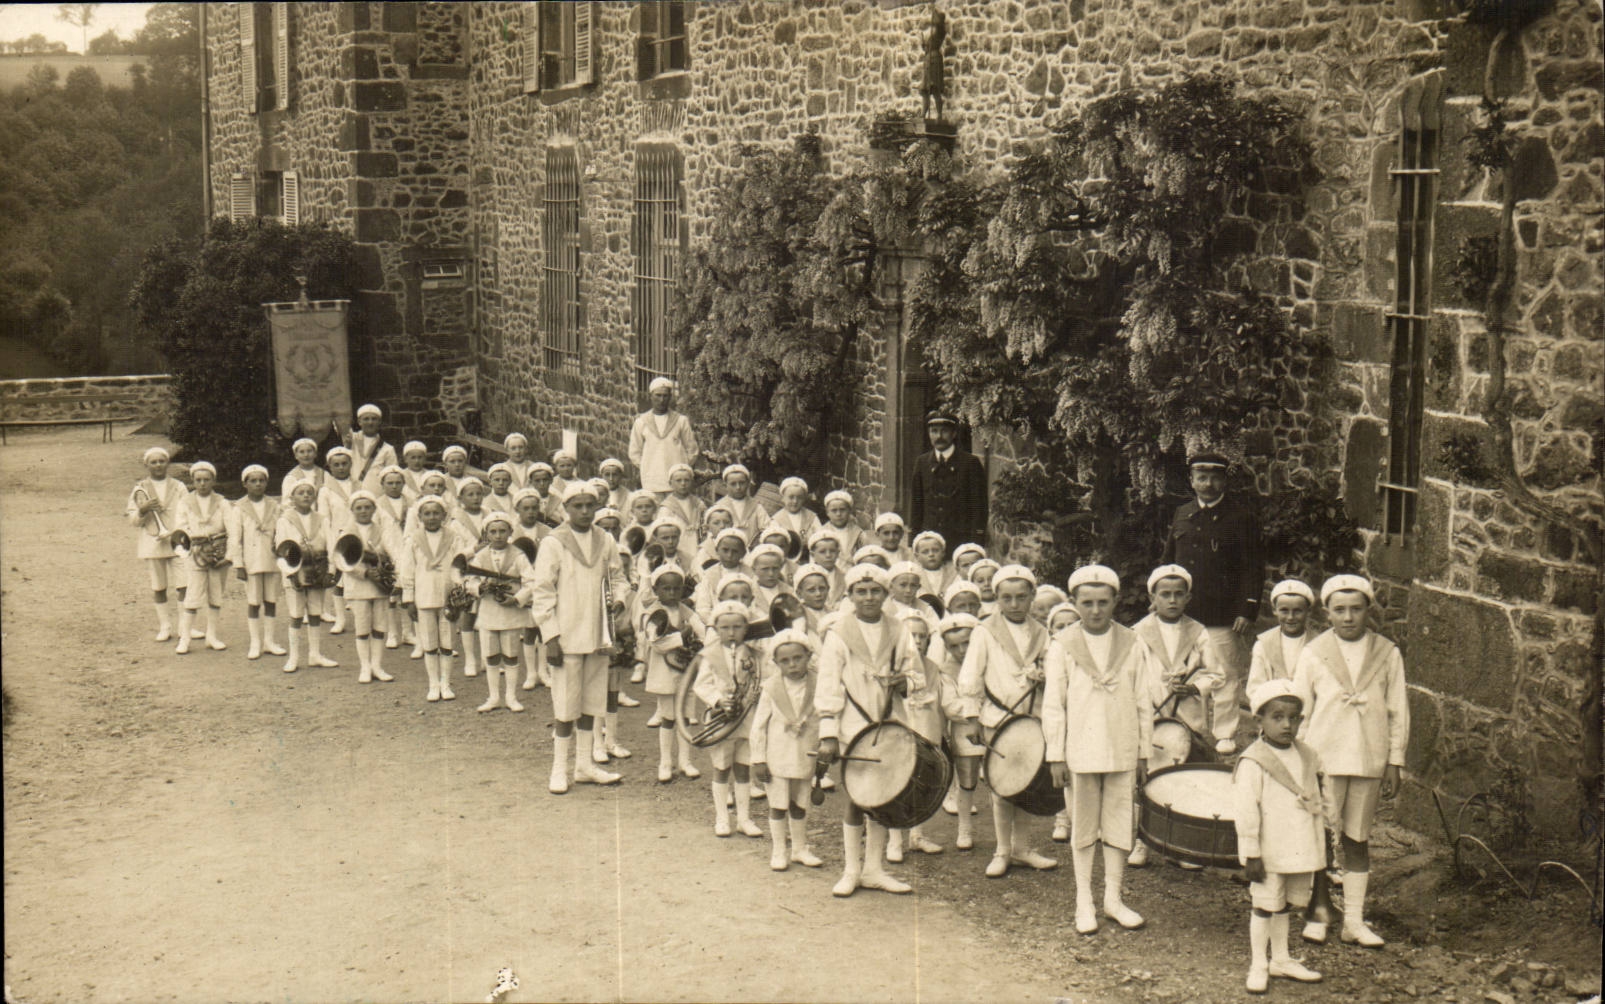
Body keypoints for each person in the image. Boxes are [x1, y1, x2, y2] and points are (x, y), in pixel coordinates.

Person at [1292, 575, 1408, 949]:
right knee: (1320, 837)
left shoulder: (1387, 653)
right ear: (1327, 613)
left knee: (1357, 839)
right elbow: (1299, 708)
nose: (1348, 617)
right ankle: (1318, 912)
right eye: (1339, 610)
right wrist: (1297, 756)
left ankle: (1354, 921)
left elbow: (1397, 711)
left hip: (1368, 758)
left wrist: (1395, 760)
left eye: (1356, 609)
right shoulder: (1313, 653)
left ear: (1368, 611)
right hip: (1323, 757)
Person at [1042, 564, 1156, 935]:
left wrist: (1142, 752)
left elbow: (1143, 699)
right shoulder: (1063, 645)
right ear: (1074, 602)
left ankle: (1114, 898)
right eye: (1087, 603)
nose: (1095, 611)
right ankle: (1084, 901)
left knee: (1120, 823)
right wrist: (1056, 755)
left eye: (1103, 602)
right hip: (1081, 749)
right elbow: (1053, 704)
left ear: (1115, 602)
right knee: (1084, 825)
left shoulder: (1132, 641)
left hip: (1121, 746)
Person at [815, 563, 925, 898]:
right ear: (849, 595)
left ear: (886, 593)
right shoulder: (839, 634)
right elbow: (828, 684)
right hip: (853, 726)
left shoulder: (899, 630)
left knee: (883, 797)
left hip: (890, 723)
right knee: (856, 797)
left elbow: (916, 673)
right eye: (860, 592)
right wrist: (829, 732)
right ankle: (851, 870)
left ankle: (874, 869)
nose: (868, 597)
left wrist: (904, 681)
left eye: (875, 591)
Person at [957, 564, 1059, 878]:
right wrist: (972, 717)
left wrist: (1046, 678)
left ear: (1031, 597)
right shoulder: (984, 631)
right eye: (1007, 598)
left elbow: (1055, 671)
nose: (1014, 604)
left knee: (1025, 783)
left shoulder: (1043, 633)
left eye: (1021, 597)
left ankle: (1023, 848)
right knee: (1002, 786)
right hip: (997, 718)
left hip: (1031, 720)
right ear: (997, 598)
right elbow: (971, 674)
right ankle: (1002, 850)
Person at [1162, 451, 1265, 755]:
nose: (1208, 484)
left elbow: (1253, 567)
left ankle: (1225, 732)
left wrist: (1247, 608)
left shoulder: (1241, 518)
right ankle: (1185, 726)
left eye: (1215, 477)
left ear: (1224, 481)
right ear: (1192, 481)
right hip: (1185, 613)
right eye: (1201, 477)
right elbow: (1169, 560)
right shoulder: (1183, 514)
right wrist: (1162, 599)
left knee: (1224, 675)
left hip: (1222, 613)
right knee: (1184, 673)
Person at [533, 481, 632, 794]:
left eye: (590, 505)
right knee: (566, 707)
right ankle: (559, 769)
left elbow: (618, 578)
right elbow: (543, 591)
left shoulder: (605, 539)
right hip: (566, 637)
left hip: (598, 635)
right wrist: (550, 637)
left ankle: (585, 765)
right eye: (578, 506)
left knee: (592, 703)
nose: (586, 511)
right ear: (566, 509)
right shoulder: (554, 542)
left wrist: (618, 599)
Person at [1235, 679, 1330, 994]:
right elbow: (1247, 811)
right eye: (1277, 717)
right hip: (1270, 851)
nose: (1286, 725)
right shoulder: (1255, 761)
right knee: (1265, 905)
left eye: (1293, 718)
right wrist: (1251, 853)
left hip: (1299, 847)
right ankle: (1258, 963)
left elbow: (1319, 798)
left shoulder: (1308, 755)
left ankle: (1282, 958)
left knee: (1287, 904)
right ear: (1259, 720)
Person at [1129, 562, 1222, 869]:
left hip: (1187, 718)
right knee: (1146, 777)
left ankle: (1179, 845)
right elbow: (1131, 674)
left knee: (1184, 776)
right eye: (1164, 594)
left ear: (1188, 598)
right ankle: (1142, 840)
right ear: (1152, 597)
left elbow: (1216, 673)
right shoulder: (1138, 633)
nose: (1171, 600)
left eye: (1178, 594)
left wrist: (1195, 687)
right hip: (1152, 716)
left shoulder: (1198, 633)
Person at [750, 629, 826, 871]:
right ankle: (779, 850)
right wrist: (759, 759)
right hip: (777, 758)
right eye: (785, 660)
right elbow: (759, 726)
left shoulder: (819, 683)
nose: (792, 664)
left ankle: (800, 849)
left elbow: (826, 718)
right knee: (778, 805)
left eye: (798, 658)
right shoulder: (771, 688)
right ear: (776, 663)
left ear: (809, 656)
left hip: (805, 756)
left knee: (800, 804)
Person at [691, 599, 767, 837]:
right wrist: (717, 701)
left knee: (744, 768)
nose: (731, 633)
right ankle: (722, 818)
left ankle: (744, 819)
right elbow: (701, 685)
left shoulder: (755, 654)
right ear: (716, 629)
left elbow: (765, 679)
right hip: (722, 720)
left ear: (746, 628)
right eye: (725, 628)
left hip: (747, 719)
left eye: (737, 627)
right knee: (722, 768)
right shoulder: (711, 655)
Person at [397, 495, 473, 702]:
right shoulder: (413, 539)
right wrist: (409, 599)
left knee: (447, 641)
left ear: (444, 515)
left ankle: (446, 683)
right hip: (423, 597)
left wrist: (459, 592)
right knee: (429, 642)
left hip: (448, 597)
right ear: (420, 516)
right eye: (427, 514)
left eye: (436, 513)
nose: (431, 517)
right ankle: (433, 684)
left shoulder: (453, 537)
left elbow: (460, 565)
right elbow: (407, 570)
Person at [464, 514, 536, 713]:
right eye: (493, 532)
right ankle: (493, 697)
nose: (497, 536)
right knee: (491, 655)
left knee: (511, 654)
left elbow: (531, 581)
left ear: (511, 532)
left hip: (510, 612)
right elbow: (470, 580)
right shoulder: (480, 556)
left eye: (502, 531)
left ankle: (511, 697)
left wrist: (517, 598)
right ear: (486, 534)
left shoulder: (518, 555)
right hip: (488, 611)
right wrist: (480, 588)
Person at [641, 563, 705, 782]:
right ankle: (665, 762)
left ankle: (685, 761)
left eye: (676, 589)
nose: (671, 593)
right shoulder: (653, 613)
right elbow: (656, 642)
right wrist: (684, 635)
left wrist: (703, 640)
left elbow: (701, 628)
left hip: (685, 670)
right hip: (665, 672)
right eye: (666, 589)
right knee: (668, 717)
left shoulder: (684, 609)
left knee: (685, 716)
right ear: (656, 590)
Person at [275, 481, 339, 674]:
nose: (305, 496)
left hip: (317, 570)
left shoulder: (322, 519)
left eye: (309, 493)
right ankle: (294, 657)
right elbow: (282, 548)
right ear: (292, 497)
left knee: (315, 613)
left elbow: (331, 545)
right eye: (300, 493)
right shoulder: (285, 520)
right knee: (296, 615)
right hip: (295, 571)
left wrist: (331, 571)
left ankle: (315, 654)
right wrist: (290, 574)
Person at [337, 489, 400, 684]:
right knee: (362, 626)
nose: (363, 511)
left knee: (379, 625)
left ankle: (377, 666)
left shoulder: (382, 530)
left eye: (367, 507)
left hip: (379, 584)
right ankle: (365, 666)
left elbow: (393, 551)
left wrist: (388, 569)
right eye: (359, 508)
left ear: (374, 509)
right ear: (352, 510)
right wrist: (364, 573)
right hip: (358, 584)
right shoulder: (347, 531)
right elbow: (341, 559)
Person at [228, 464, 287, 660]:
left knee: (271, 600)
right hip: (251, 561)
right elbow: (234, 538)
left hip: (271, 559)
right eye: (253, 481)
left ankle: (269, 641)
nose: (258, 484)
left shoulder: (275, 506)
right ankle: (256, 642)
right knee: (254, 602)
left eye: (261, 480)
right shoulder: (239, 508)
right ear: (245, 484)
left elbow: (281, 531)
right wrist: (238, 564)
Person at [171, 461, 231, 655]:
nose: (202, 484)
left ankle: (211, 636)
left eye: (207, 480)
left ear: (213, 480)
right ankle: (185, 638)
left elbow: (232, 528)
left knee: (215, 594)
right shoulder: (185, 502)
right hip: (196, 553)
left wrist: (227, 554)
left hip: (217, 552)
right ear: (193, 481)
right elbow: (180, 528)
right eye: (198, 480)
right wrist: (193, 547)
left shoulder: (222, 502)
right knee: (192, 595)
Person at [910, 410, 988, 555]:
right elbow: (916, 506)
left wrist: (976, 543)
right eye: (934, 431)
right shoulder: (922, 463)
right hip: (930, 546)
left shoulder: (970, 463)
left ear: (954, 434)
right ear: (929, 434)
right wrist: (914, 541)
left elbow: (979, 508)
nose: (939, 436)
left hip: (961, 543)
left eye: (944, 431)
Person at [935, 612, 983, 846]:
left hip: (993, 728)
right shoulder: (946, 671)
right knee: (967, 781)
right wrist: (977, 712)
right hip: (965, 732)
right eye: (955, 646)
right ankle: (964, 830)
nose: (962, 650)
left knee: (1000, 781)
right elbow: (950, 706)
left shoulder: (987, 662)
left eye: (967, 643)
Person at [629, 376, 699, 495]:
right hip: (651, 482)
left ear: (670, 397)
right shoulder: (641, 422)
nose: (661, 400)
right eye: (658, 395)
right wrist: (648, 467)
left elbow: (692, 450)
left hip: (677, 483)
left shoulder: (681, 421)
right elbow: (634, 452)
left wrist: (681, 469)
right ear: (651, 396)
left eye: (665, 396)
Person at [1248, 580, 1316, 694]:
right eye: (1284, 611)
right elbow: (1255, 687)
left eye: (1297, 611)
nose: (1290, 617)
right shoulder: (1264, 644)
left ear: (1308, 612)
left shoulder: (1318, 644)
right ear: (1275, 610)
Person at [319, 446, 359, 635]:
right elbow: (324, 517)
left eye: (344, 464)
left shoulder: (359, 486)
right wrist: (330, 540)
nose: (341, 468)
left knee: (359, 577)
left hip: (357, 537)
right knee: (338, 580)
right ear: (330, 467)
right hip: (336, 536)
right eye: (336, 465)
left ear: (351, 464)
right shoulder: (326, 490)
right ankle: (340, 619)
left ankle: (361, 618)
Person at [350, 403, 398, 494]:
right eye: (366, 419)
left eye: (374, 419)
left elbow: (392, 474)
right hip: (352, 491)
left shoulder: (387, 449)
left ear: (379, 422)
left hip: (376, 493)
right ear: (359, 422)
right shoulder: (350, 440)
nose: (370, 422)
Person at [717, 464, 767, 543]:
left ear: (748, 483)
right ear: (725, 485)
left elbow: (767, 527)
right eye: (733, 484)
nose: (738, 487)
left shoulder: (756, 506)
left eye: (742, 483)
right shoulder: (719, 506)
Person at [771, 477, 820, 543]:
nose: (795, 501)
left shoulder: (811, 517)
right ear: (783, 498)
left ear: (804, 499)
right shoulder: (777, 519)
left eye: (799, 498)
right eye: (791, 497)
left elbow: (820, 536)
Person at [660, 463, 705, 535]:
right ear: (670, 483)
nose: (683, 483)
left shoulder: (698, 503)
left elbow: (704, 524)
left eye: (687, 480)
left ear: (692, 482)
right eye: (678, 480)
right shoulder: (667, 507)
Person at [819, 489, 864, 557]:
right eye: (834, 510)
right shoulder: (821, 533)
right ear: (827, 513)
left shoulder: (858, 534)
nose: (838, 514)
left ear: (849, 511)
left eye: (842, 510)